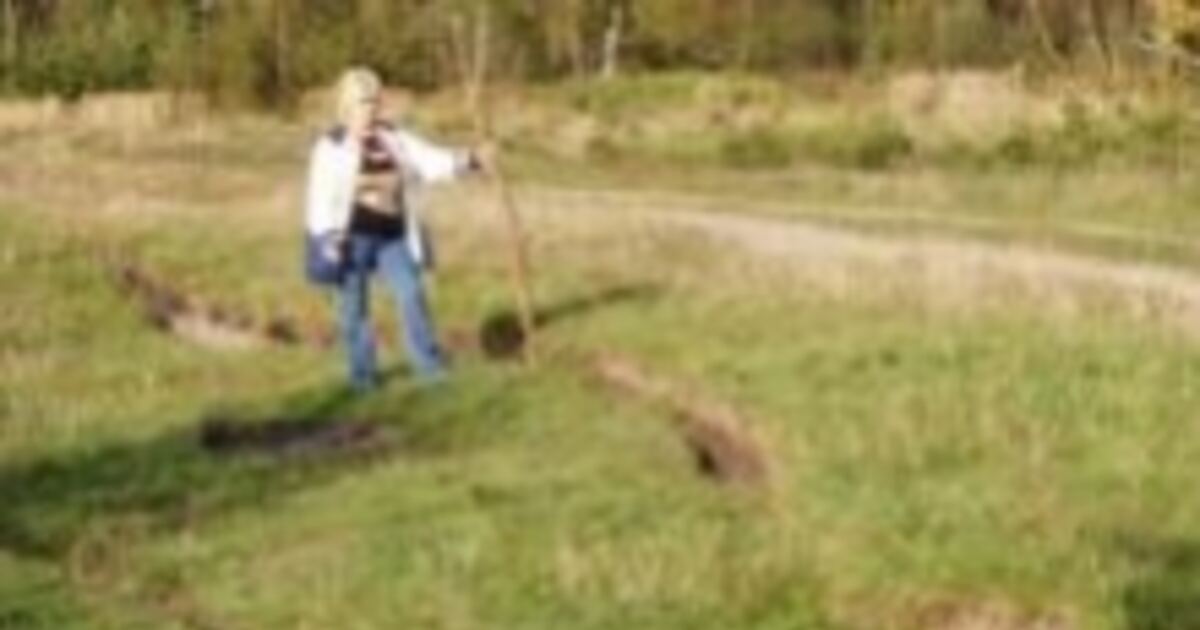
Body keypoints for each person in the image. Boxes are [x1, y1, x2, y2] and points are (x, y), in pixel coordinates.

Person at [305, 67, 484, 390]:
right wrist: (328, 238)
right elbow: (320, 197)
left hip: (392, 237)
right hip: (350, 241)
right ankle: (364, 378)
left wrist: (470, 160)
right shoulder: (330, 147)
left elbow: (430, 160)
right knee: (354, 310)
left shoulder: (393, 137)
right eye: (364, 102)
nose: (371, 109)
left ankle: (430, 369)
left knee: (411, 294)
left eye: (375, 101)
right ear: (347, 106)